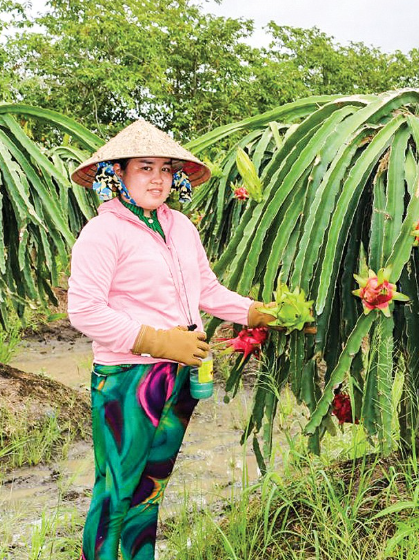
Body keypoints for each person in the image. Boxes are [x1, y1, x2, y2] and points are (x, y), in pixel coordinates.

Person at [67, 120, 275, 560]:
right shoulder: (103, 233)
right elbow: (84, 311)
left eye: (165, 168)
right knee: (114, 493)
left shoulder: (180, 226)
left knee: (150, 489)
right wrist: (159, 342)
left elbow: (208, 291)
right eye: (145, 167)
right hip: (128, 379)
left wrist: (258, 312)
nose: (158, 178)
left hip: (181, 374)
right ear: (117, 173)